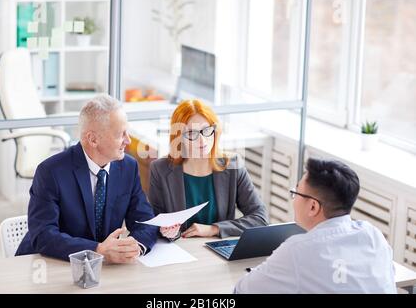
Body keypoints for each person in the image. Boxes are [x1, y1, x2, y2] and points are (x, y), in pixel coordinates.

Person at [16, 95, 158, 263]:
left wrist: (135, 247)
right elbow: (44, 236)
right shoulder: (50, 172)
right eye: (121, 134)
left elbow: (146, 220)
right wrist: (97, 250)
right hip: (47, 263)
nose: (128, 140)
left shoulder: (128, 167)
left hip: (101, 270)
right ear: (93, 139)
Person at [234, 158, 396, 293]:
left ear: (313, 206)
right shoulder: (373, 235)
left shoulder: (297, 250)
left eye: (296, 192)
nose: (294, 198)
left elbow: (241, 290)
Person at [148, 99, 268, 240]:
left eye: (206, 130)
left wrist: (214, 229)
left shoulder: (233, 166)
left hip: (218, 248)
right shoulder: (160, 170)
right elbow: (153, 220)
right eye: (192, 133)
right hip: (180, 249)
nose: (202, 141)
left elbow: (260, 218)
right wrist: (165, 231)